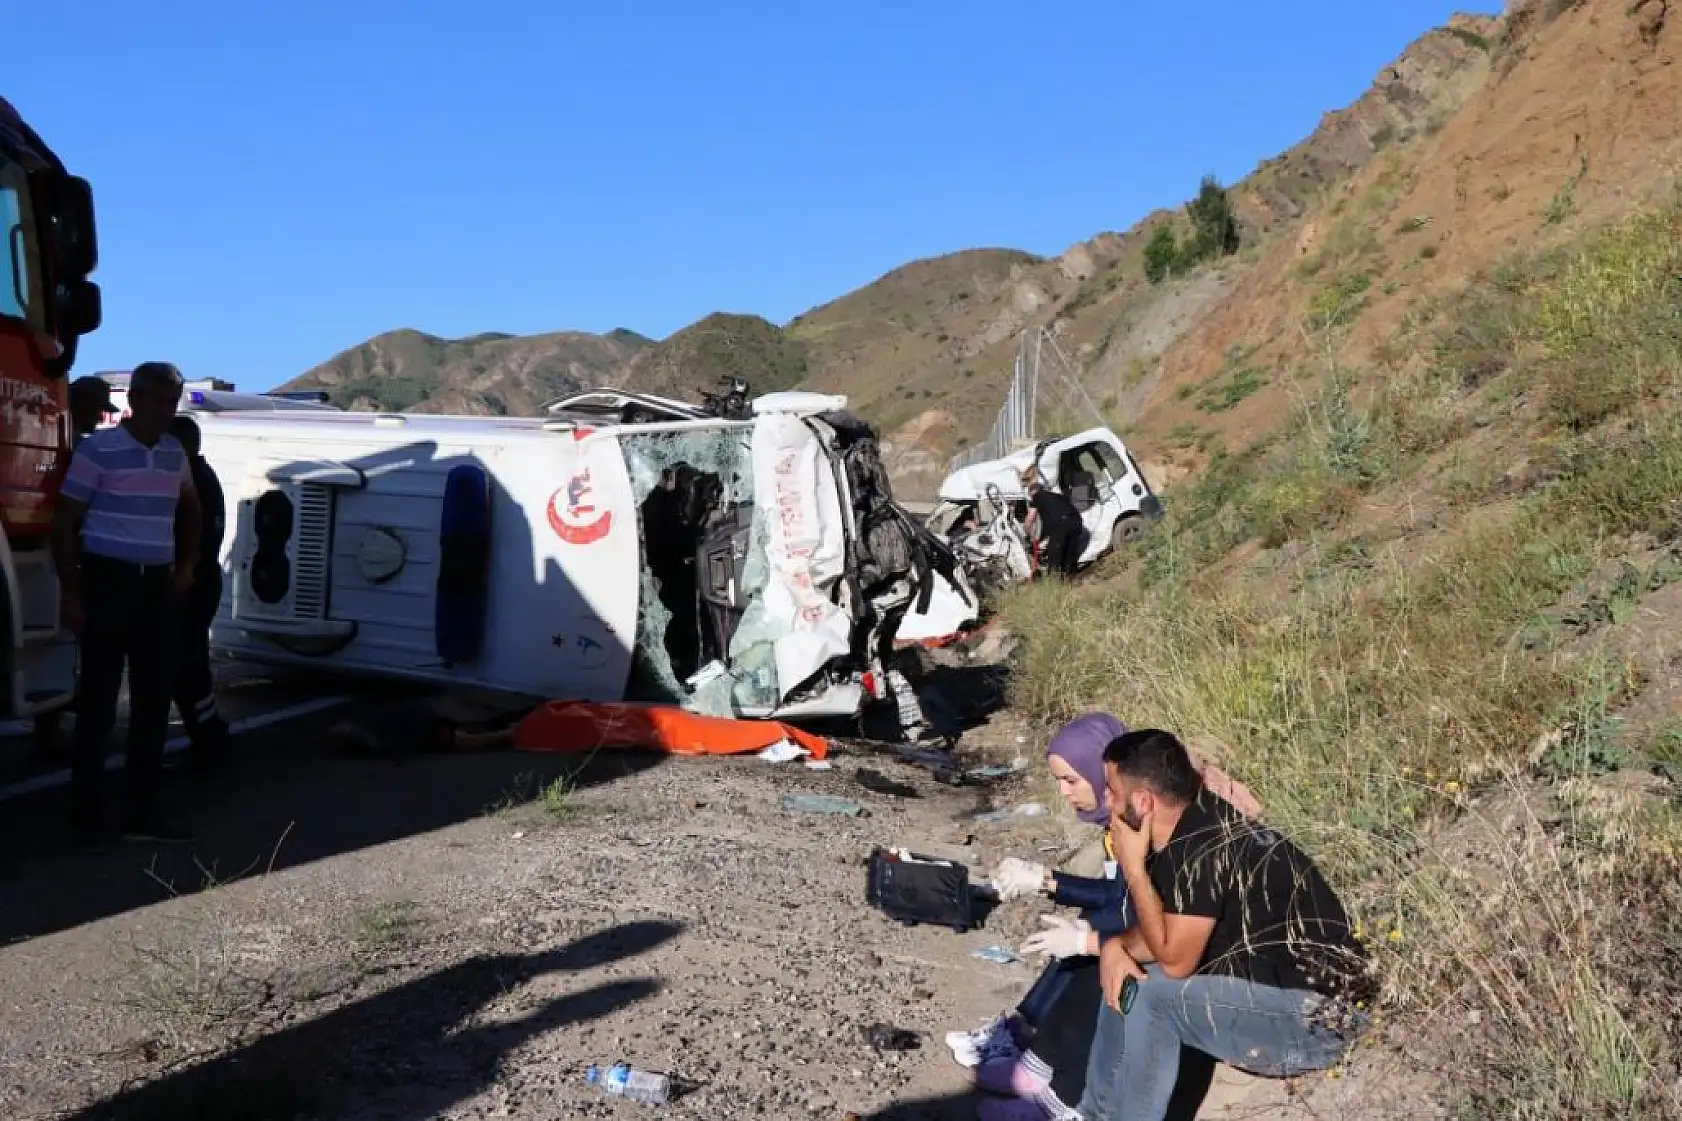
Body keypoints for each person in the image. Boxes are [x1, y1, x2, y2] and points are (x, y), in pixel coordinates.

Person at [945, 717, 1262, 1121]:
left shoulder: (1167, 832)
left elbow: (1139, 910)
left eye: (1072, 780)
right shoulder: (1132, 823)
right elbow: (1125, 900)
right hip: (1194, 955)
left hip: (1223, 980)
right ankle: (1036, 1061)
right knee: (1096, 937)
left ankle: (1061, 1096)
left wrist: (1060, 898)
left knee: (1105, 955)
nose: (1063, 792)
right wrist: (1054, 891)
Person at [1078, 729, 1372, 1121]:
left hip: (1321, 1021)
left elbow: (1175, 963)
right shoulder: (1190, 826)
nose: (1106, 803)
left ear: (1143, 802)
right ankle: (1091, 1113)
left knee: (1153, 997)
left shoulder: (1204, 849)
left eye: (1112, 791)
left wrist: (1132, 869)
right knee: (1123, 970)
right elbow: (1164, 933)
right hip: (1276, 999)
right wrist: (1115, 948)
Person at [52, 361, 201, 845]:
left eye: (171, 402)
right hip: (107, 583)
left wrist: (185, 569)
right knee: (97, 704)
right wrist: (72, 595)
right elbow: (65, 523)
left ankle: (142, 812)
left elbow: (191, 510)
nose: (164, 411)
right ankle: (87, 817)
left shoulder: (175, 452)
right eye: (157, 401)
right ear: (134, 399)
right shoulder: (99, 450)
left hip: (156, 589)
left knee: (153, 704)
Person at [167, 414, 233, 771]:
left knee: (188, 668)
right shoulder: (202, 476)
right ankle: (209, 736)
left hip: (193, 585)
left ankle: (210, 740)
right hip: (201, 582)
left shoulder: (193, 482)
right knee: (190, 666)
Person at [1021, 469, 1084, 578]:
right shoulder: (1057, 496)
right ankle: (1071, 579)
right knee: (1068, 556)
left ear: (1032, 493)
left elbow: (1031, 517)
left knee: (1054, 558)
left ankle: (1053, 584)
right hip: (1076, 522)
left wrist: (1025, 533)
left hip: (1061, 525)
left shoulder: (1037, 496)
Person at [68, 375, 117, 448]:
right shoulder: (84, 449)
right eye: (99, 410)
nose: (100, 419)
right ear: (83, 406)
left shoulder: (75, 445)